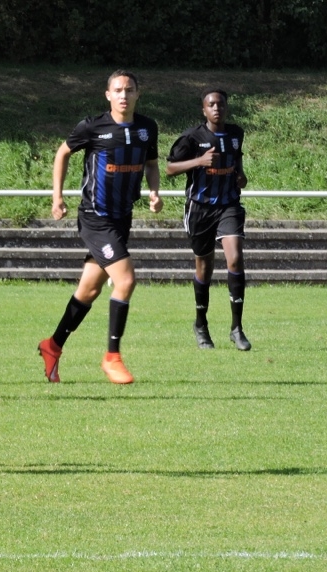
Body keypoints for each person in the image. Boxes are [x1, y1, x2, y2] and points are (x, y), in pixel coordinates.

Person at [38, 70, 162, 385]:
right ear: (108, 95)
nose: (124, 95)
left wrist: (154, 191)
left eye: (129, 90)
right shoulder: (93, 127)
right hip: (95, 217)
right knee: (126, 280)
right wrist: (57, 197)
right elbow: (63, 152)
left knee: (89, 289)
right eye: (118, 90)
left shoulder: (148, 128)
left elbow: (150, 163)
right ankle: (112, 357)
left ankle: (52, 346)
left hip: (123, 217)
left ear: (138, 94)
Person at [166, 88, 251, 351]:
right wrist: (199, 161)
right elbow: (170, 168)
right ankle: (201, 324)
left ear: (226, 107)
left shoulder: (236, 134)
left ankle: (237, 328)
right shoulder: (192, 138)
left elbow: (237, 163)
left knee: (234, 258)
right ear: (204, 110)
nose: (217, 108)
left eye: (221, 104)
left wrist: (241, 176)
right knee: (204, 268)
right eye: (211, 105)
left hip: (228, 206)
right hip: (200, 209)